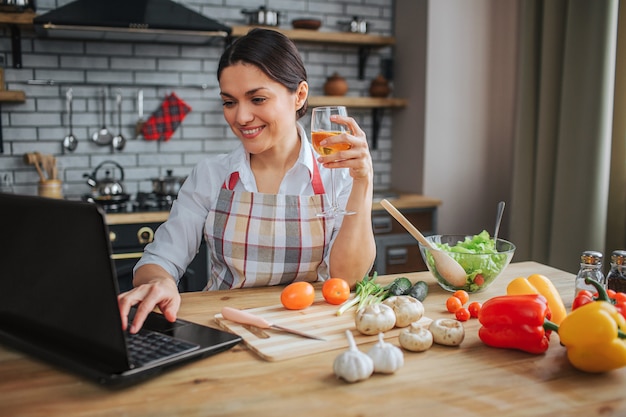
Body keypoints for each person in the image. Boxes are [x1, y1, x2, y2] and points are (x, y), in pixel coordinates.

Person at [118, 28, 376, 334]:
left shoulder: (337, 173)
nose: (241, 117)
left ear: (300, 95)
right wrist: (159, 281)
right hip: (223, 330)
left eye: (257, 99)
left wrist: (363, 181)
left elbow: (346, 278)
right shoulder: (212, 175)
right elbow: (161, 258)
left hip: (310, 331)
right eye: (229, 102)